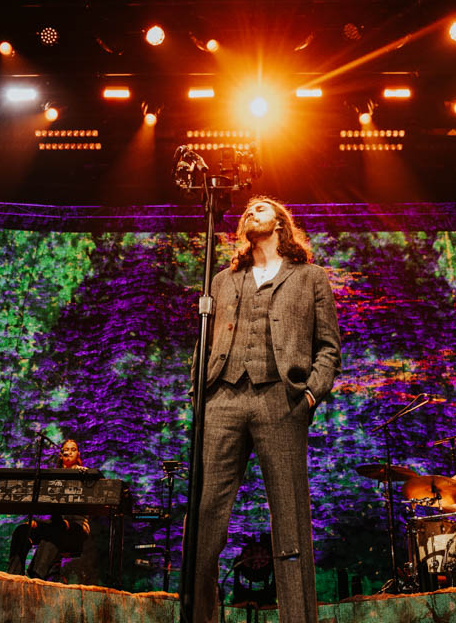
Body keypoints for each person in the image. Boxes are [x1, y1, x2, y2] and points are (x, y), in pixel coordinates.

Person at [192, 196, 341, 623]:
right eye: (247, 210)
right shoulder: (223, 280)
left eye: (260, 208)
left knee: (290, 516)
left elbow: (329, 347)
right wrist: (199, 395)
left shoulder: (310, 277)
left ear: (280, 222)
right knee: (204, 515)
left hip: (281, 399)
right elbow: (204, 343)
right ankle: (199, 617)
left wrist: (309, 395)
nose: (249, 212)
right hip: (222, 397)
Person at [7, 439, 93, 579]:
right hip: (56, 523)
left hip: (76, 526)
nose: (69, 452)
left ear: (78, 454)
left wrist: (84, 474)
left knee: (55, 530)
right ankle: (14, 576)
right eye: (66, 449)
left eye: (73, 449)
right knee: (22, 530)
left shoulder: (84, 473)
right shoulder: (52, 475)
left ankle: (36, 576)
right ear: (61, 454)